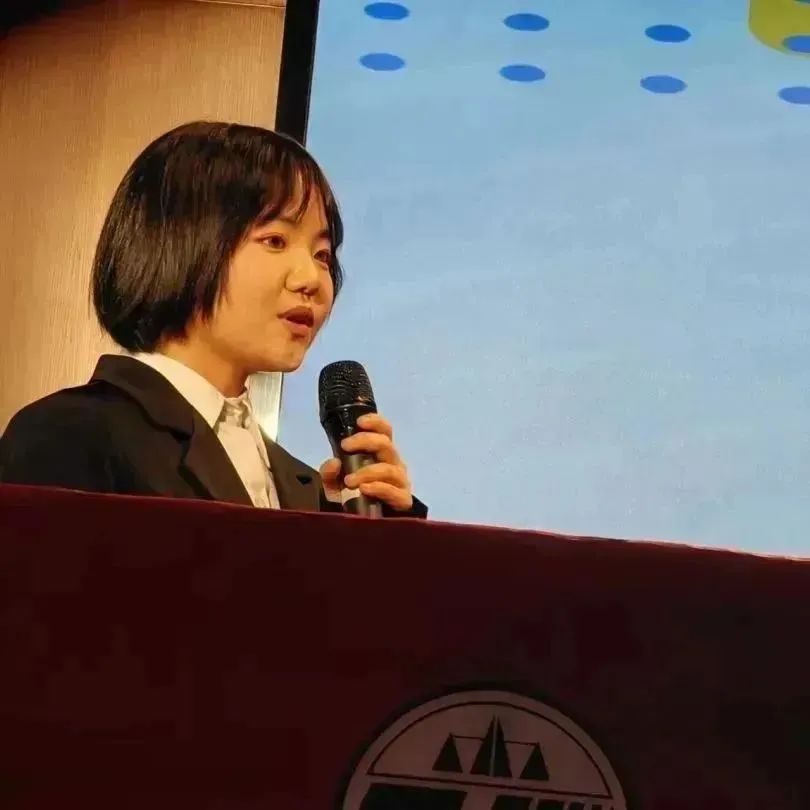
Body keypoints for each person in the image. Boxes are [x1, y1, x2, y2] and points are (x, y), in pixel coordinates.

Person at [0, 121, 426, 518]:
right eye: (275, 241)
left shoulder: (306, 488)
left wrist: (375, 528)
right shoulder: (71, 434)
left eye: (322, 255)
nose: (312, 279)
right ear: (177, 242)